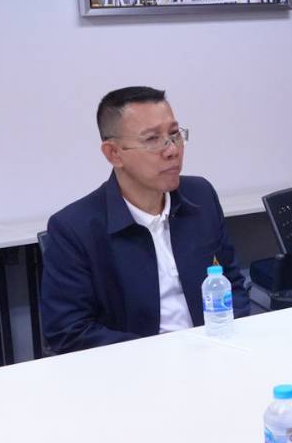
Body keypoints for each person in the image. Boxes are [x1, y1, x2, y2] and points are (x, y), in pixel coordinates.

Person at [41, 85, 249, 354]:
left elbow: (231, 282)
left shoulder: (201, 195)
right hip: (134, 365)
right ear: (114, 154)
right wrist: (161, 354)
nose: (172, 150)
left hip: (217, 350)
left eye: (175, 135)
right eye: (152, 139)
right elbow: (69, 331)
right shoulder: (74, 227)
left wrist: (228, 340)